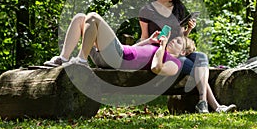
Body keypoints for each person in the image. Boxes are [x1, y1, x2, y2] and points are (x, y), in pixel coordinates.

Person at [138, 0, 236, 113]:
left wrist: (189, 29)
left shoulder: (178, 7)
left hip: (179, 49)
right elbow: (144, 37)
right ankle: (215, 106)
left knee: (201, 57)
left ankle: (203, 102)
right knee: (193, 66)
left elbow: (182, 37)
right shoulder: (147, 10)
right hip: (162, 53)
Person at [44, 12, 189, 76]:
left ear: (183, 52)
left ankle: (82, 61)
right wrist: (149, 41)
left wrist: (162, 47)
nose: (172, 41)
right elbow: (133, 51)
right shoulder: (156, 48)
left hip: (118, 58)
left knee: (93, 17)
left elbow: (156, 68)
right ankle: (63, 58)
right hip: (114, 55)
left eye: (177, 42)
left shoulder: (174, 62)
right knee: (80, 17)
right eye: (173, 39)